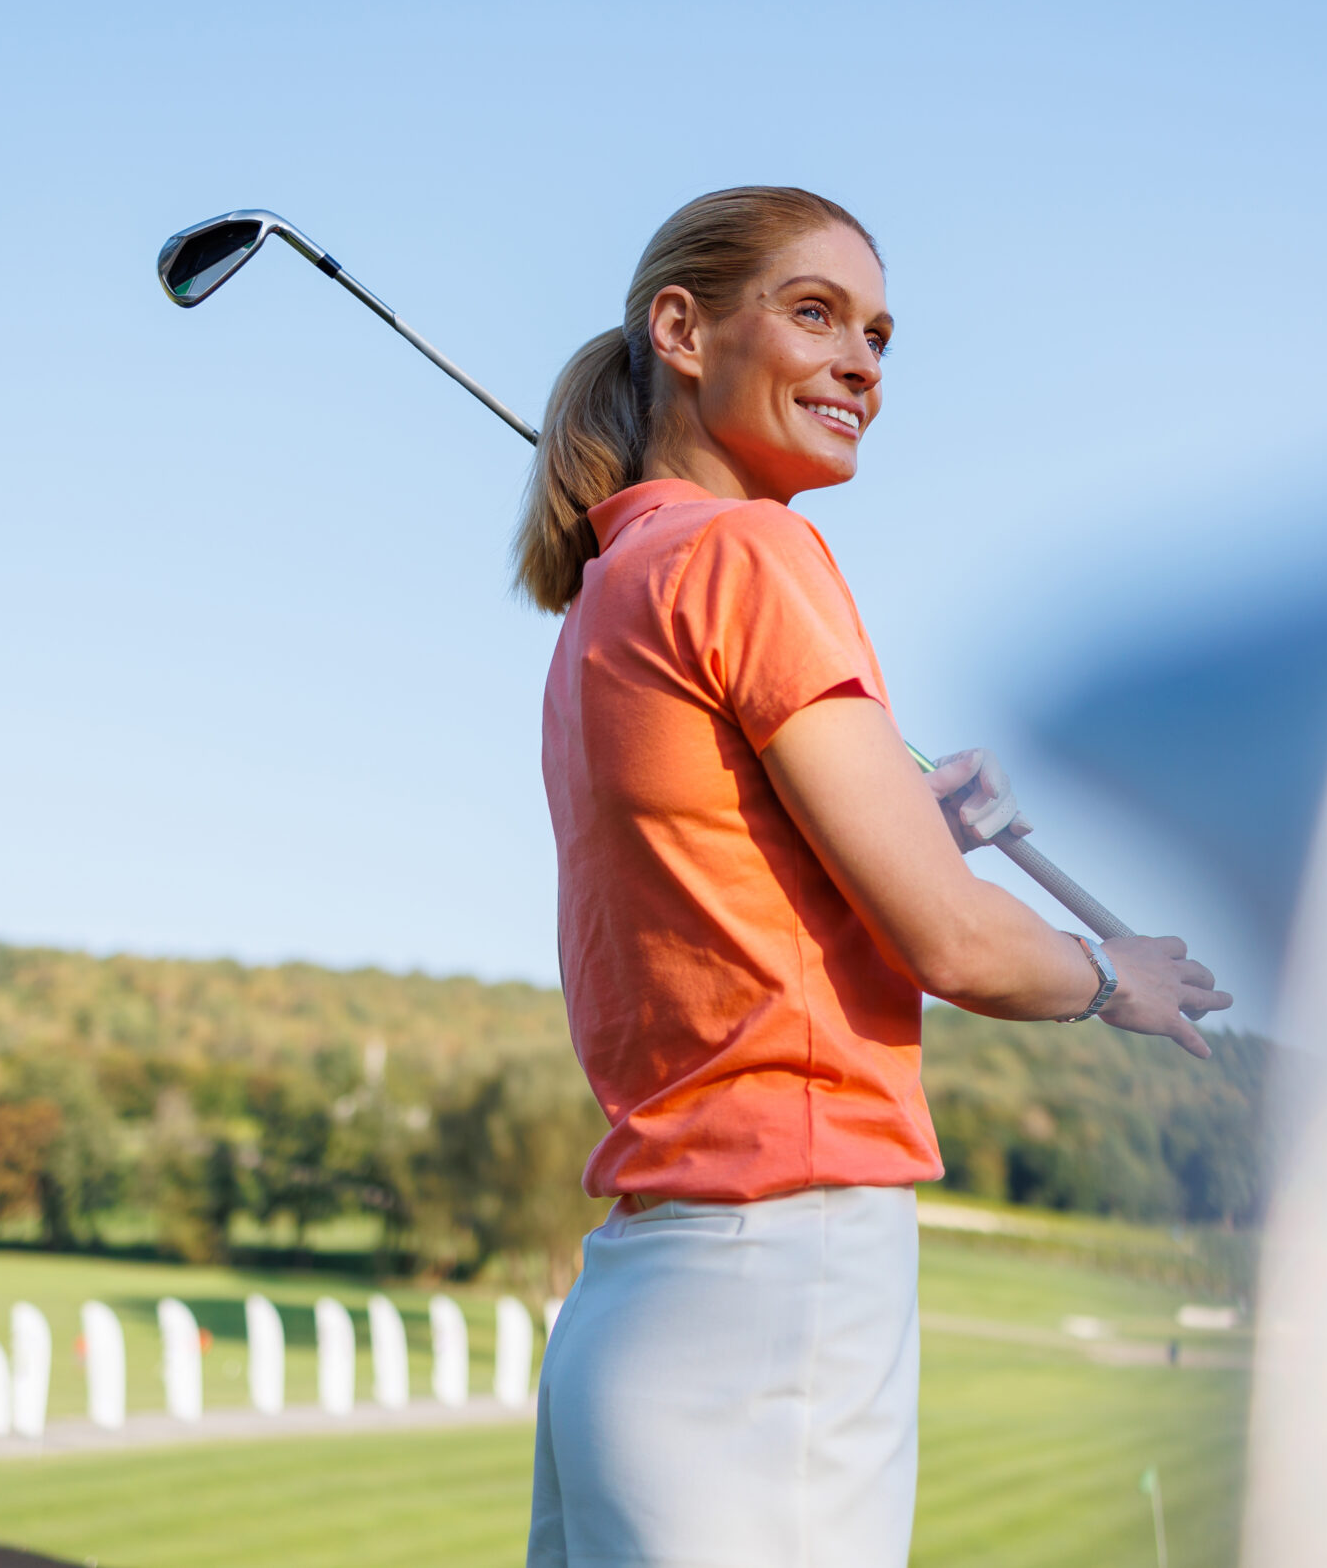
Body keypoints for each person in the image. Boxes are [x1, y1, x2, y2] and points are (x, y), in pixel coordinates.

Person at [517, 187, 1231, 1567]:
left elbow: (740, 876)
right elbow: (955, 946)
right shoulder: (754, 550)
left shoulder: (616, 582)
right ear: (681, 326)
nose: (864, 365)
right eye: (815, 313)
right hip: (782, 1278)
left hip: (650, 1294)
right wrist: (1111, 976)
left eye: (882, 336)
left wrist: (911, 820)